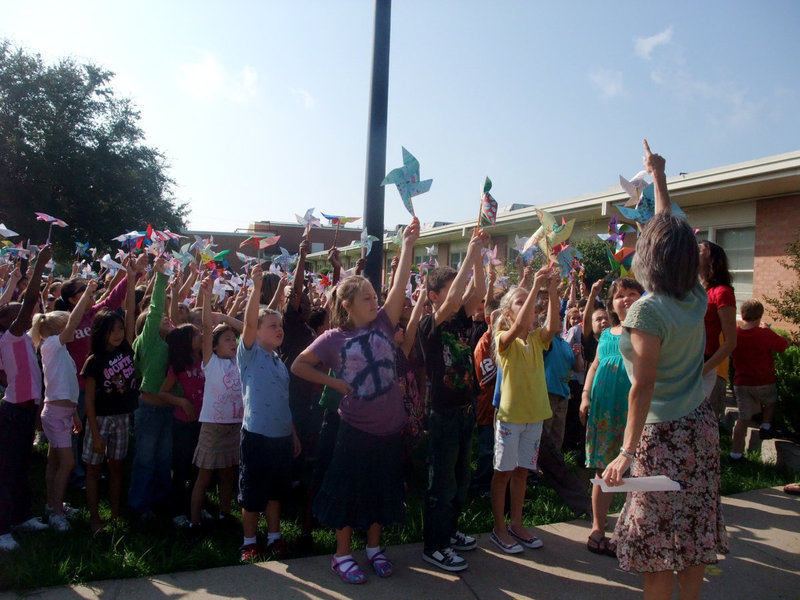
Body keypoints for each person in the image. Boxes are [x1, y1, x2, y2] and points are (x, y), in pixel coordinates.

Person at [603, 140, 728, 600]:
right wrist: (658, 175)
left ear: (648, 255)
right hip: (700, 427)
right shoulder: (693, 296)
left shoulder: (646, 310)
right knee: (692, 537)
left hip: (662, 437)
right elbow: (671, 227)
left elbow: (642, 387)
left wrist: (625, 453)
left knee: (656, 546)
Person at [292, 217, 420, 584]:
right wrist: (334, 383)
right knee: (348, 493)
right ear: (347, 304)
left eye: (375, 297)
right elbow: (299, 365)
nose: (375, 301)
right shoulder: (333, 338)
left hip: (389, 432)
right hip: (355, 432)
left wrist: (407, 245)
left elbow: (399, 285)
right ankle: (342, 555)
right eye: (367, 298)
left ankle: (374, 548)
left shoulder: (383, 323)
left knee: (380, 490)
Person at [417, 227, 488, 572]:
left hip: (464, 410)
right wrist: (470, 253)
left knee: (460, 481)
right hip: (443, 414)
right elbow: (454, 298)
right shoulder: (429, 324)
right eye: (449, 290)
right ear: (433, 296)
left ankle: (450, 530)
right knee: (441, 482)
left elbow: (479, 291)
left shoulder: (461, 318)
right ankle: (435, 545)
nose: (458, 295)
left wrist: (478, 257)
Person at [489, 266, 558, 553]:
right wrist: (534, 286)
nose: (529, 306)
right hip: (511, 419)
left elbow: (553, 327)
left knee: (522, 472)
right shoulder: (504, 339)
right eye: (520, 302)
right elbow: (518, 327)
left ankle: (516, 524)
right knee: (503, 472)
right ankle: (499, 528)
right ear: (508, 314)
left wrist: (551, 291)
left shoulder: (538, 339)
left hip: (534, 417)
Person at [237, 267, 298, 561]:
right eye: (272, 325)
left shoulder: (278, 361)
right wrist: (256, 288)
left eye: (280, 325)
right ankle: (249, 543)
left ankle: (274, 538)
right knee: (252, 492)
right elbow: (249, 322)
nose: (279, 329)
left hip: (281, 437)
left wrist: (293, 434)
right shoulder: (249, 354)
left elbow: (283, 401)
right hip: (257, 436)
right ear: (257, 331)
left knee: (275, 491)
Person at [580, 277, 644, 557]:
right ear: (611, 304)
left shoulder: (646, 330)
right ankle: (598, 527)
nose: (626, 299)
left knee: (640, 469)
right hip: (604, 410)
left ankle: (636, 528)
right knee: (604, 469)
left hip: (633, 409)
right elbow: (595, 365)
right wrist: (585, 395)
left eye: (632, 293)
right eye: (620, 295)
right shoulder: (606, 334)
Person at [30, 279, 97, 531]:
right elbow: (73, 323)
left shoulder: (60, 350)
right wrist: (87, 294)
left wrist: (74, 415)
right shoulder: (51, 345)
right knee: (67, 463)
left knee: (55, 463)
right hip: (56, 413)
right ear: (60, 329)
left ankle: (53, 504)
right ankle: (57, 514)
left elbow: (66, 385)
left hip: (63, 412)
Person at [0, 246, 53, 551]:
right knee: (6, 471)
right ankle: (2, 528)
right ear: (6, 320)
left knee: (21, 466)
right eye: (14, 310)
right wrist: (39, 266)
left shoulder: (20, 339)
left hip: (25, 410)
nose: (22, 310)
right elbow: (31, 300)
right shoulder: (10, 336)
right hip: (12, 413)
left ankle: (21, 517)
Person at [82, 264, 138, 534]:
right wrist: (94, 432)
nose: (118, 334)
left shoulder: (126, 347)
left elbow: (131, 311)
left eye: (120, 329)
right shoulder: (94, 361)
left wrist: (131, 277)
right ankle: (95, 519)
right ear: (100, 332)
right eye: (112, 330)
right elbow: (89, 401)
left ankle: (115, 514)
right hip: (100, 421)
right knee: (94, 470)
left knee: (117, 469)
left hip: (122, 418)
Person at [188, 278, 244, 534]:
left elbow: (249, 331)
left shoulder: (239, 361)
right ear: (213, 345)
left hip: (234, 426)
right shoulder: (211, 362)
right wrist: (207, 297)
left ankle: (224, 514)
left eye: (234, 339)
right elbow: (207, 328)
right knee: (205, 475)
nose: (233, 343)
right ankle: (194, 521)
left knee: (228, 474)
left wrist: (228, 319)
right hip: (213, 425)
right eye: (227, 340)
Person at [129, 256, 175, 521]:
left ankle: (161, 503)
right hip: (149, 410)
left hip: (167, 411)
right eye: (161, 317)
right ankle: (139, 505)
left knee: (163, 461)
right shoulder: (149, 342)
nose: (167, 318)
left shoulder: (169, 345)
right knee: (145, 460)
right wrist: (161, 277)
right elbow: (156, 307)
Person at [729, 299, 790, 457]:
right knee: (770, 401)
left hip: (741, 382)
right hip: (763, 381)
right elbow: (783, 345)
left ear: (742, 314)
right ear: (760, 315)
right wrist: (769, 330)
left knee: (743, 418)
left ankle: (735, 454)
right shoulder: (764, 333)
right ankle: (766, 426)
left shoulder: (735, 333)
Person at [159, 323, 205, 525]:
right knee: (181, 467)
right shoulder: (178, 365)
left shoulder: (206, 359)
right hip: (184, 424)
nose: (201, 335)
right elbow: (163, 393)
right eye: (196, 334)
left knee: (199, 468)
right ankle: (178, 510)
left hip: (203, 422)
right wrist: (182, 402)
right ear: (186, 341)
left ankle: (196, 506)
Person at [698, 240, 737, 417]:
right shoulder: (693, 291)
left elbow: (730, 342)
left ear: (712, 259)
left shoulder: (722, 292)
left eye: (699, 250)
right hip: (684, 361)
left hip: (703, 365)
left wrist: (705, 369)